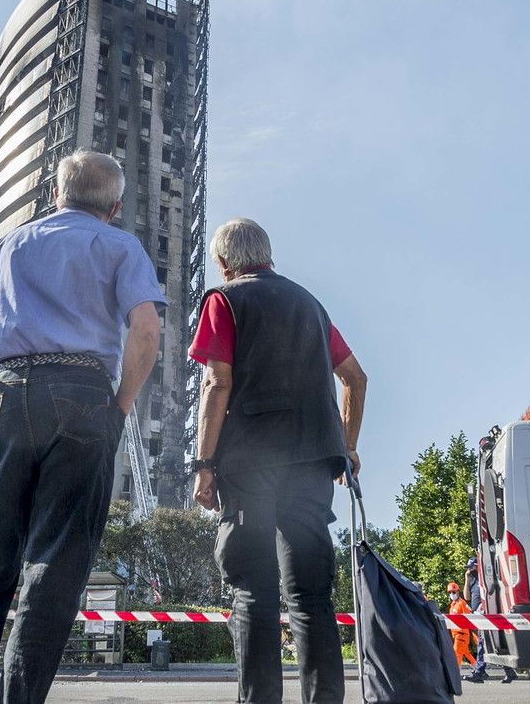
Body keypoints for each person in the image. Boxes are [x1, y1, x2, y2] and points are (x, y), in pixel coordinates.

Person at [0, 151, 165, 703]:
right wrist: (120, 407)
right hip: (84, 394)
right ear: (115, 206)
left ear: (56, 195)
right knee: (53, 570)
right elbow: (146, 330)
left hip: (8, 392)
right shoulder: (120, 246)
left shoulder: (8, 246)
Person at [190, 218, 368, 704]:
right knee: (311, 595)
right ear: (267, 255)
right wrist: (347, 446)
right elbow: (355, 378)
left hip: (248, 463)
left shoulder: (224, 300)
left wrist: (203, 464)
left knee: (253, 592)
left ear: (223, 263)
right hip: (313, 462)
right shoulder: (310, 304)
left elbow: (217, 383)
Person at [466, 557, 515, 684]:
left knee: (484, 643)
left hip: (485, 614)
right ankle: (509, 671)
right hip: (478, 615)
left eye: (471, 567)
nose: (469, 570)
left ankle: (479, 672)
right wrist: (467, 579)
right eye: (468, 568)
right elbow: (467, 597)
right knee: (489, 643)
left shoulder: (485, 579)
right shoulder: (472, 580)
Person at [447, 581, 474, 673]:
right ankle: (478, 670)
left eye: (453, 592)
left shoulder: (462, 603)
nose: (452, 594)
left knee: (456, 653)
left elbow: (469, 617)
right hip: (456, 634)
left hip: (461, 633)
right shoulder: (453, 604)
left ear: (458, 592)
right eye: (450, 592)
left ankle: (456, 673)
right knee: (466, 654)